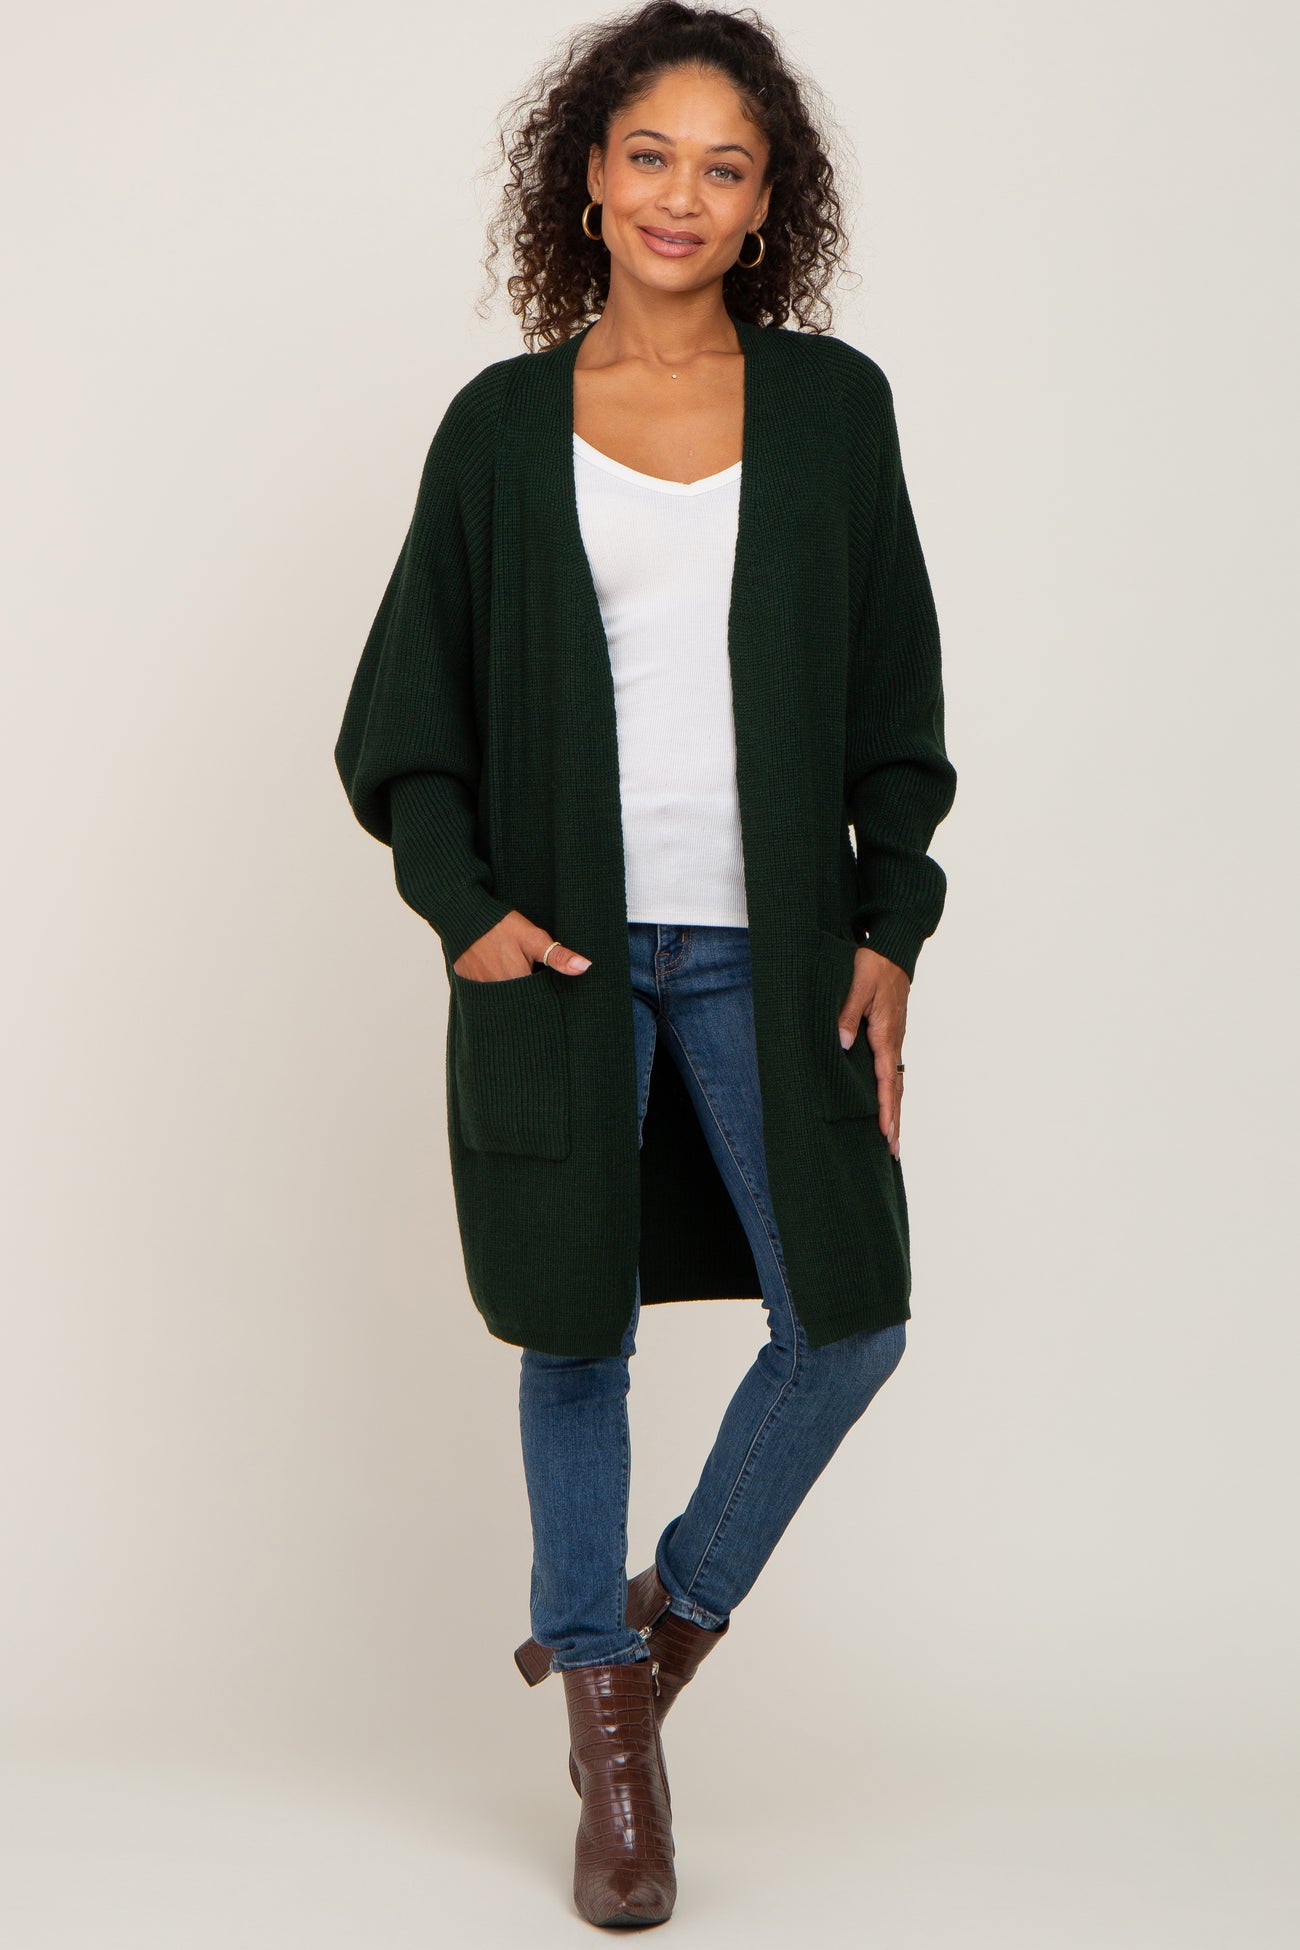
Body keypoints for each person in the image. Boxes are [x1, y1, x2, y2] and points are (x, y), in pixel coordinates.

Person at [334, 2, 957, 1928]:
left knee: (849, 1317)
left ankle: (652, 1625)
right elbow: (404, 714)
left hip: (777, 950)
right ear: (589, 179)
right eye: (652, 155)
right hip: (561, 958)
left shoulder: (833, 410)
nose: (684, 194)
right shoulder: (500, 430)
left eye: (727, 165)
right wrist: (464, 907)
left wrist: (892, 923)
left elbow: (896, 699)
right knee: (574, 1326)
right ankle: (613, 1743)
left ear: (769, 205)